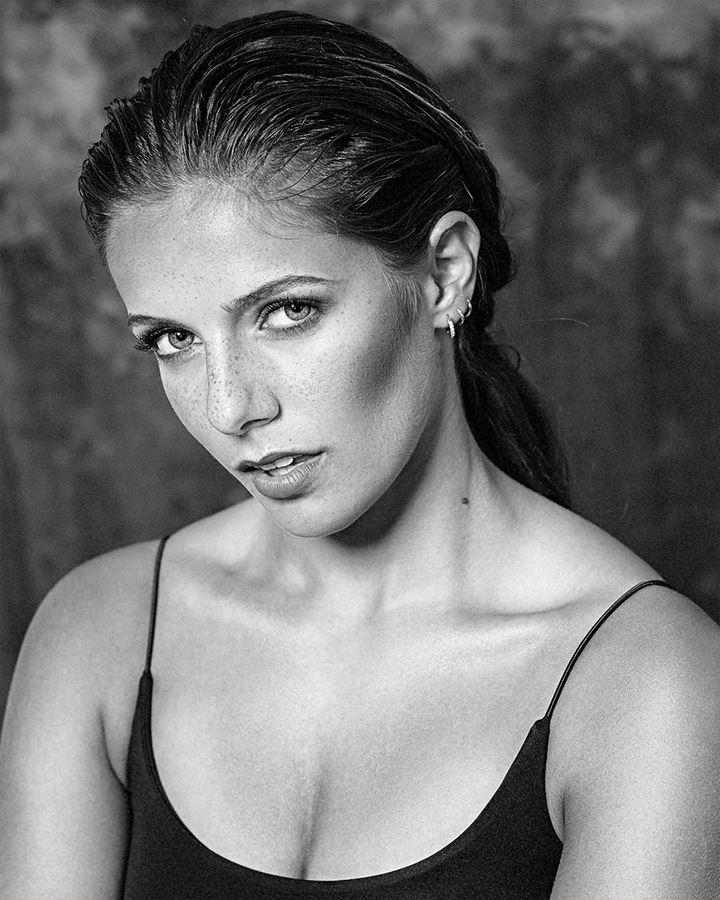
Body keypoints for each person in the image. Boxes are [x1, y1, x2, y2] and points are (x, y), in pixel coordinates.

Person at [1, 9, 718, 898]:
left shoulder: (648, 682)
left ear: (445, 273)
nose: (230, 407)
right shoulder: (100, 634)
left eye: (287, 311)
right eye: (173, 340)